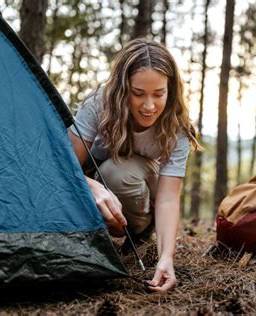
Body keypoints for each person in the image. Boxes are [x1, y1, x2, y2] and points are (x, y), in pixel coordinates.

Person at [68, 38, 200, 292]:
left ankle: (138, 230)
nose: (149, 106)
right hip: (92, 187)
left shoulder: (177, 129)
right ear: (121, 88)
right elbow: (64, 167)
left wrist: (166, 258)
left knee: (117, 173)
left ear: (170, 90)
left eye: (159, 94)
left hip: (136, 190)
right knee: (104, 176)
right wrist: (93, 188)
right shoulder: (98, 104)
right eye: (138, 93)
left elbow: (168, 199)